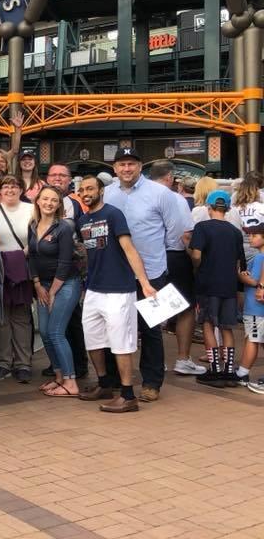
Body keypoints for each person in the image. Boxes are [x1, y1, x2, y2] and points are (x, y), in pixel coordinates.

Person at [103, 147, 193, 402]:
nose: (126, 168)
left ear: (140, 166)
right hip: (116, 273)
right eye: (122, 164)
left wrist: (153, 253)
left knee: (151, 328)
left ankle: (152, 382)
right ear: (115, 168)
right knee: (115, 326)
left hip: (152, 271)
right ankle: (114, 380)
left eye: (131, 163)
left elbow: (174, 232)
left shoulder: (160, 193)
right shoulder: (107, 193)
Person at [76, 176, 156, 412]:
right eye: (82, 190)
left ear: (101, 190)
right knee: (93, 339)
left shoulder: (113, 214)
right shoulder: (82, 220)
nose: (85, 193)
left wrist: (144, 283)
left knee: (121, 343)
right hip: (93, 289)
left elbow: (129, 249)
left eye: (90, 188)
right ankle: (104, 384)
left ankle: (128, 395)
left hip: (119, 290)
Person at [148, 161, 205, 377]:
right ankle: (182, 359)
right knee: (185, 308)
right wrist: (196, 261)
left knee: (153, 309)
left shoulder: (141, 197)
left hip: (147, 257)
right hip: (174, 256)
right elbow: (186, 235)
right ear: (169, 177)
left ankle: (155, 360)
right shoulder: (175, 199)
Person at [27, 186, 81, 398]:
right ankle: (59, 376)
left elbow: (65, 262)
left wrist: (52, 292)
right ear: (38, 201)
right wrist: (38, 285)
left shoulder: (64, 228)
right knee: (45, 332)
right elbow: (32, 257)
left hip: (65, 284)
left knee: (56, 332)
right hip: (43, 285)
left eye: (54, 200)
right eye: (45, 199)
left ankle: (71, 381)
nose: (49, 203)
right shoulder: (33, 225)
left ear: (59, 205)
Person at [189, 190, 245, 388]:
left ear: (209, 207)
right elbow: (239, 262)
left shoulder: (202, 227)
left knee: (207, 324)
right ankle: (229, 370)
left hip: (208, 283)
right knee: (226, 327)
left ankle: (215, 369)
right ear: (227, 208)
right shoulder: (235, 232)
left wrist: (197, 266)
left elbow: (196, 255)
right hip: (229, 284)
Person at [0, 175, 34, 382]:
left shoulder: (31, 209)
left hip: (22, 267)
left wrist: (23, 254)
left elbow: (38, 234)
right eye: (5, 186)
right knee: (2, 317)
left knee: (21, 317)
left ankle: (23, 363)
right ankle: (4, 361)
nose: (10, 190)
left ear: (21, 189)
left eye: (14, 186)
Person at [236, 218, 264, 393]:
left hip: (255, 308)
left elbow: (253, 281)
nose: (251, 238)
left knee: (252, 339)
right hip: (258, 309)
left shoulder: (260, 257)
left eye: (255, 235)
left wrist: (240, 274)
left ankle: (242, 373)